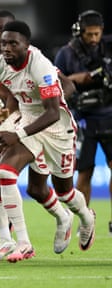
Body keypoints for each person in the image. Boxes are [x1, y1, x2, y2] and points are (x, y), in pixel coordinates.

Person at [0, 20, 96, 263]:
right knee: (5, 172)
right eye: (3, 43)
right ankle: (23, 243)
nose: (6, 48)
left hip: (57, 129)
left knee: (65, 192)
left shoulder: (41, 66)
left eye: (12, 44)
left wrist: (17, 134)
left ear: (27, 46)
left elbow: (51, 112)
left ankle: (86, 217)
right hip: (28, 123)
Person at [54, 10, 112, 233]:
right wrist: (85, 78)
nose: (93, 39)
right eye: (89, 34)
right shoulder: (66, 54)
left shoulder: (109, 48)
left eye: (97, 34)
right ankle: (84, 221)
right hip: (83, 121)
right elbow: (57, 84)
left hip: (109, 116)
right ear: (80, 31)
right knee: (84, 172)